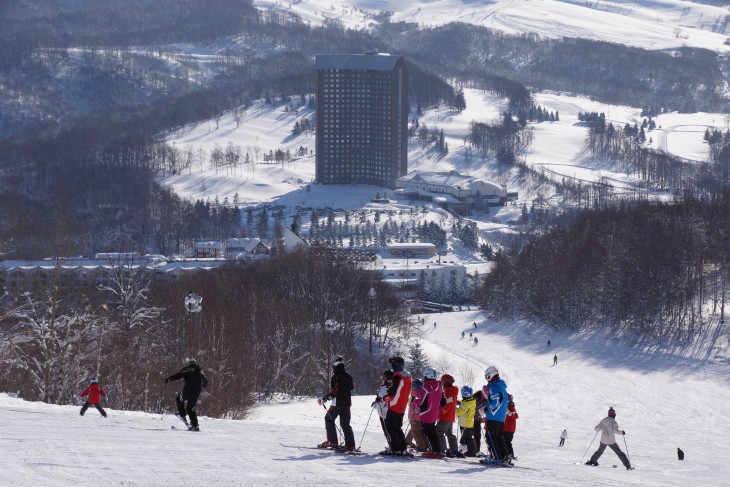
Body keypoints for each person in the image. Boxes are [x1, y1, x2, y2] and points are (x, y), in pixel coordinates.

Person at [318, 356, 356, 451]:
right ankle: (350, 445)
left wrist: (325, 399)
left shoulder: (336, 376)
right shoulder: (348, 376)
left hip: (337, 404)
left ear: (335, 364)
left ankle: (332, 442)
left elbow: (335, 391)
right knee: (345, 425)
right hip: (347, 404)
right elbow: (351, 388)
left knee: (328, 419)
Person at [165, 358, 208, 431]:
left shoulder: (187, 368)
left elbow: (178, 375)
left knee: (178, 399)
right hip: (197, 391)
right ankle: (195, 425)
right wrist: (203, 384)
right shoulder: (200, 370)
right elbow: (206, 382)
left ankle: (182, 415)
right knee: (190, 408)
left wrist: (168, 379)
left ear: (188, 363)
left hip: (188, 389)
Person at [382, 356, 413, 456]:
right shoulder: (407, 375)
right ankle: (402, 448)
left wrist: (386, 397)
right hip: (402, 405)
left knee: (391, 427)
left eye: (393, 364)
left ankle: (396, 449)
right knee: (397, 428)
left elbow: (394, 392)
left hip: (395, 404)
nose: (392, 366)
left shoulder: (398, 376)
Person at [481, 365, 510, 464]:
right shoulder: (502, 387)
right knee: (499, 437)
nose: (487, 379)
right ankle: (504, 457)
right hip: (501, 417)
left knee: (491, 438)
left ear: (491, 375)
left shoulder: (493, 386)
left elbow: (495, 402)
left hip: (493, 417)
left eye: (487, 376)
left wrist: (486, 409)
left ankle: (497, 457)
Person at [420, 367, 445, 458]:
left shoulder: (426, 386)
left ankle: (436, 451)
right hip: (434, 412)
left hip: (426, 412)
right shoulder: (439, 386)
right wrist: (438, 408)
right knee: (432, 431)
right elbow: (443, 401)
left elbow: (420, 400)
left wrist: (414, 401)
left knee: (428, 431)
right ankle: (436, 450)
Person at [437, 373, 460, 457]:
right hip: (450, 416)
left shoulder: (448, 391)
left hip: (445, 417)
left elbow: (448, 404)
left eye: (443, 382)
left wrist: (441, 411)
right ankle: (454, 449)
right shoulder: (453, 390)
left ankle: (442, 449)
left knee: (439, 432)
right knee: (449, 433)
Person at [407, 378, 430, 452]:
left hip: (415, 417)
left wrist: (415, 411)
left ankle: (421, 447)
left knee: (416, 433)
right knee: (421, 432)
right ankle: (427, 446)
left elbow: (418, 405)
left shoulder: (416, 393)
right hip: (419, 417)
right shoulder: (419, 393)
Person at [372, 369, 393, 451]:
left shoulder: (384, 388)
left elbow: (381, 400)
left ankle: (392, 446)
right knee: (393, 429)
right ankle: (395, 445)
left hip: (384, 412)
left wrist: (376, 403)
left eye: (384, 376)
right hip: (393, 411)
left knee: (387, 430)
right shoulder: (395, 386)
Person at [456, 385, 477, 457]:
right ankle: (472, 452)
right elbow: (464, 402)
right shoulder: (471, 401)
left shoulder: (466, 404)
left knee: (464, 439)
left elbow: (459, 412)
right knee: (468, 438)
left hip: (465, 424)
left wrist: (453, 407)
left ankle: (462, 452)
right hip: (468, 423)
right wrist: (458, 402)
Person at [503, 394, 518, 460]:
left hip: (509, 428)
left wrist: (509, 413)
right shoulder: (506, 406)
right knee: (505, 441)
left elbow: (516, 415)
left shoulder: (511, 406)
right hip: (507, 427)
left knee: (507, 441)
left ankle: (510, 454)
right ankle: (508, 454)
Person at [472, 389, 487, 454]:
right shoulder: (476, 399)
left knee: (477, 436)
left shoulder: (483, 399)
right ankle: (473, 450)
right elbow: (477, 409)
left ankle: (476, 450)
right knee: (473, 436)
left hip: (477, 420)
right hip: (472, 419)